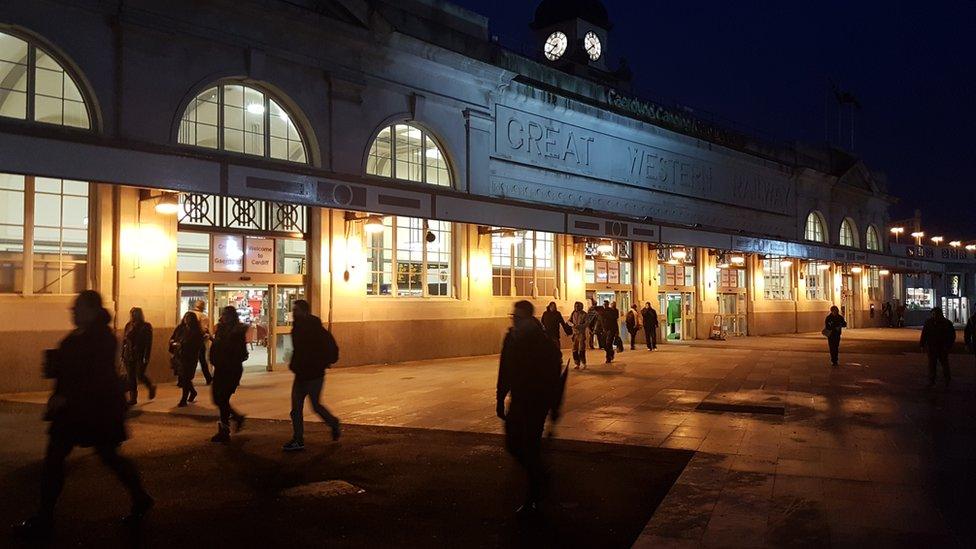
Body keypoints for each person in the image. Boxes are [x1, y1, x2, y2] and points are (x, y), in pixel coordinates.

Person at [15, 291, 152, 538]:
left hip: (94, 409)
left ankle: (46, 518)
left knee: (101, 456)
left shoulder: (100, 337)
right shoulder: (86, 333)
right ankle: (45, 515)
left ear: (90, 309)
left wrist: (66, 395)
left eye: (77, 308)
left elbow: (95, 375)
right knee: (68, 458)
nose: (73, 312)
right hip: (80, 410)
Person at [496, 300, 563, 516]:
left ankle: (533, 496)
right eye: (512, 317)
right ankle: (540, 476)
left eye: (517, 317)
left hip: (536, 401)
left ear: (527, 318)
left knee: (530, 446)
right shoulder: (511, 338)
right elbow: (504, 368)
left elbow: (553, 374)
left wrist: (553, 406)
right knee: (513, 443)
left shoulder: (541, 341)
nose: (513, 321)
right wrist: (500, 397)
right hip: (518, 399)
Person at [283, 300, 341, 451]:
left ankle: (333, 423)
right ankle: (298, 439)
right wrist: (295, 364)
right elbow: (299, 350)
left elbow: (330, 348)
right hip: (301, 374)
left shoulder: (316, 330)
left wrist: (321, 363)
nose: (293, 313)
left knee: (315, 406)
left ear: (304, 311)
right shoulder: (297, 329)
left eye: (296, 310)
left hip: (314, 375)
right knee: (296, 409)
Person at [209, 306, 248, 443]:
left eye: (226, 314)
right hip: (220, 368)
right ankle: (236, 418)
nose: (224, 317)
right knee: (217, 398)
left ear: (232, 316)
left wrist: (219, 345)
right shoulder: (220, 329)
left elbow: (240, 353)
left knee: (222, 399)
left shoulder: (237, 332)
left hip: (231, 370)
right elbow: (218, 346)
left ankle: (224, 432)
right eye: (223, 314)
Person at [170, 311, 205, 407]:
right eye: (185, 317)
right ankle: (192, 392)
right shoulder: (181, 328)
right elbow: (173, 338)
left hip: (190, 357)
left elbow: (196, 345)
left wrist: (182, 344)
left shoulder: (196, 332)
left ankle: (184, 399)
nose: (186, 320)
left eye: (189, 318)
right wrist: (173, 343)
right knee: (184, 378)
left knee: (186, 377)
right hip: (179, 356)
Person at [121, 307, 155, 406]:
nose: (132, 316)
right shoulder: (128, 325)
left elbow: (148, 343)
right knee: (131, 376)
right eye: (131, 314)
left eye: (134, 314)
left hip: (139, 354)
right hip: (129, 354)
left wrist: (146, 356)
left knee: (140, 374)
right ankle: (133, 398)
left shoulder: (146, 326)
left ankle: (150, 386)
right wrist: (123, 354)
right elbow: (125, 341)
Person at [920, 307, 956, 387]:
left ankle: (947, 380)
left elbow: (952, 336)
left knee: (944, 364)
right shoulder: (929, 322)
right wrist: (922, 344)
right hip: (932, 347)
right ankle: (932, 380)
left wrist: (948, 346)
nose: (934, 316)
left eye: (935, 314)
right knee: (932, 364)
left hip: (942, 347)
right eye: (933, 314)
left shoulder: (946, 323)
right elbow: (924, 334)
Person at [568, 301, 598, 370]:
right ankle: (577, 363)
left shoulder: (584, 314)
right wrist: (572, 325)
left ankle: (583, 362)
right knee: (574, 349)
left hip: (581, 333)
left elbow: (587, 323)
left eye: (578, 306)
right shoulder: (573, 313)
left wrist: (579, 326)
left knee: (581, 349)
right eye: (575, 306)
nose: (576, 307)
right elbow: (569, 321)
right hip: (575, 334)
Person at [189, 300, 213, 385]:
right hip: (199, 341)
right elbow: (204, 329)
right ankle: (208, 378)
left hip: (188, 341)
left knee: (191, 360)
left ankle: (186, 378)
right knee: (202, 360)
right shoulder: (203, 316)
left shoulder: (188, 314)